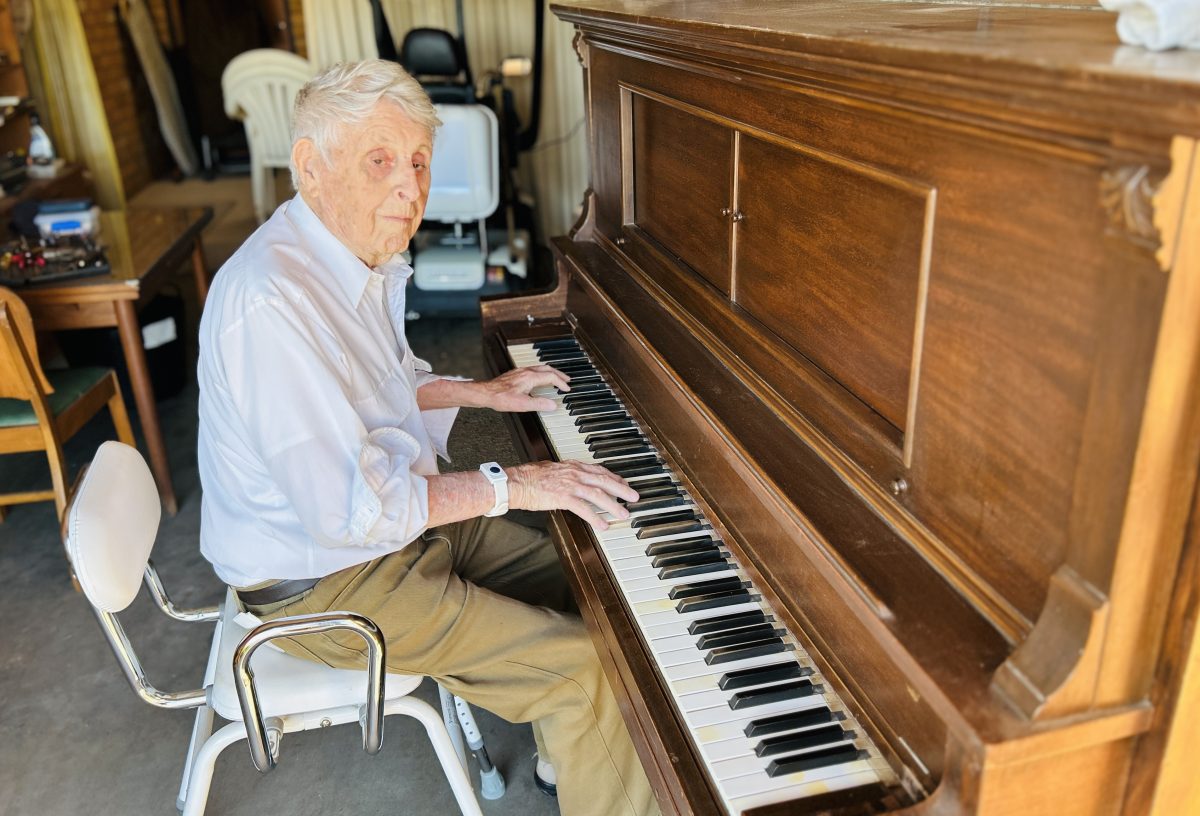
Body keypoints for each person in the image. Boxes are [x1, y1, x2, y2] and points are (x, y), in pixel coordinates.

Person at [197, 59, 659, 816]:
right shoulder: (272, 303)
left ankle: (571, 758)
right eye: (381, 162)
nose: (410, 189)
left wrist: (482, 392)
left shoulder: (348, 256)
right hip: (325, 582)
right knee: (586, 667)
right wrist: (517, 485)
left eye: (418, 162)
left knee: (591, 571)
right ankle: (587, 729)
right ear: (311, 167)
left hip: (384, 536)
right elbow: (353, 513)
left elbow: (381, 387)